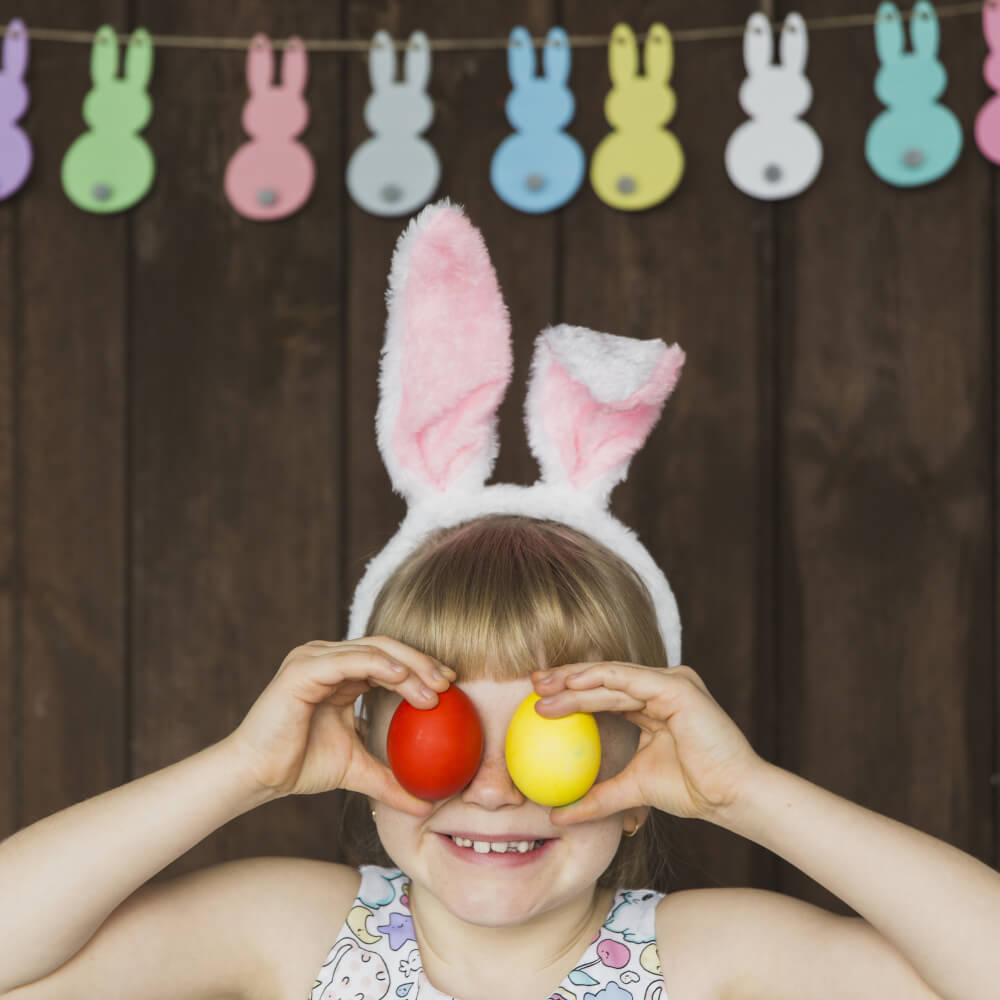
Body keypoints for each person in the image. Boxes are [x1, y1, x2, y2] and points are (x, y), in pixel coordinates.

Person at [2, 512, 1000, 1000]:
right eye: (443, 734)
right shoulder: (298, 929)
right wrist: (240, 767)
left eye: (546, 738)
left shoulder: (703, 957)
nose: (490, 786)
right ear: (365, 748)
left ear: (641, 779)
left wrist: (748, 794)